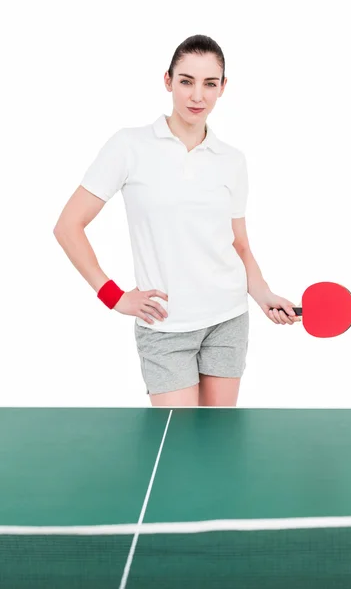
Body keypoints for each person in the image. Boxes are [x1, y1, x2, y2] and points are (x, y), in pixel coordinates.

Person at [53, 34, 301, 408]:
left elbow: (239, 245)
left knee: (217, 441)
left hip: (228, 318)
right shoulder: (128, 146)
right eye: (186, 81)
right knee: (179, 447)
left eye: (209, 84)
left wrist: (264, 294)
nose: (197, 96)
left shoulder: (231, 160)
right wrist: (113, 296)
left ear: (223, 88)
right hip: (165, 326)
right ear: (168, 81)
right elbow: (68, 226)